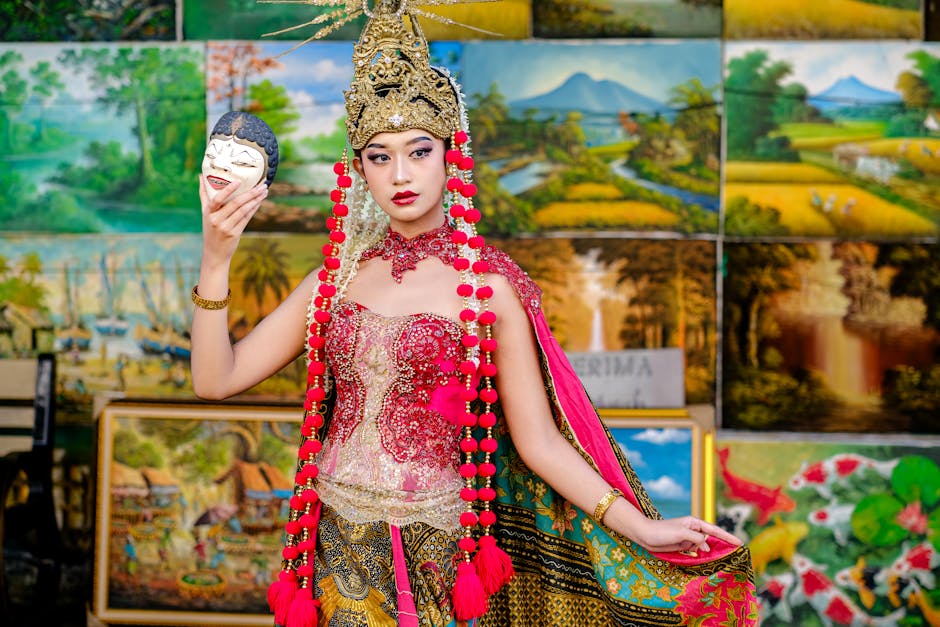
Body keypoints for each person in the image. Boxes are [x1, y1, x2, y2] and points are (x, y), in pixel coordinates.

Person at [190, 2, 756, 626]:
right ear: (358, 171)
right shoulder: (337, 278)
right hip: (331, 554)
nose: (400, 174)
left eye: (418, 151)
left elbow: (540, 442)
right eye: (379, 156)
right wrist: (217, 257)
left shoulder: (489, 287)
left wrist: (641, 528)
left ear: (450, 154)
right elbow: (216, 381)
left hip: (437, 560)